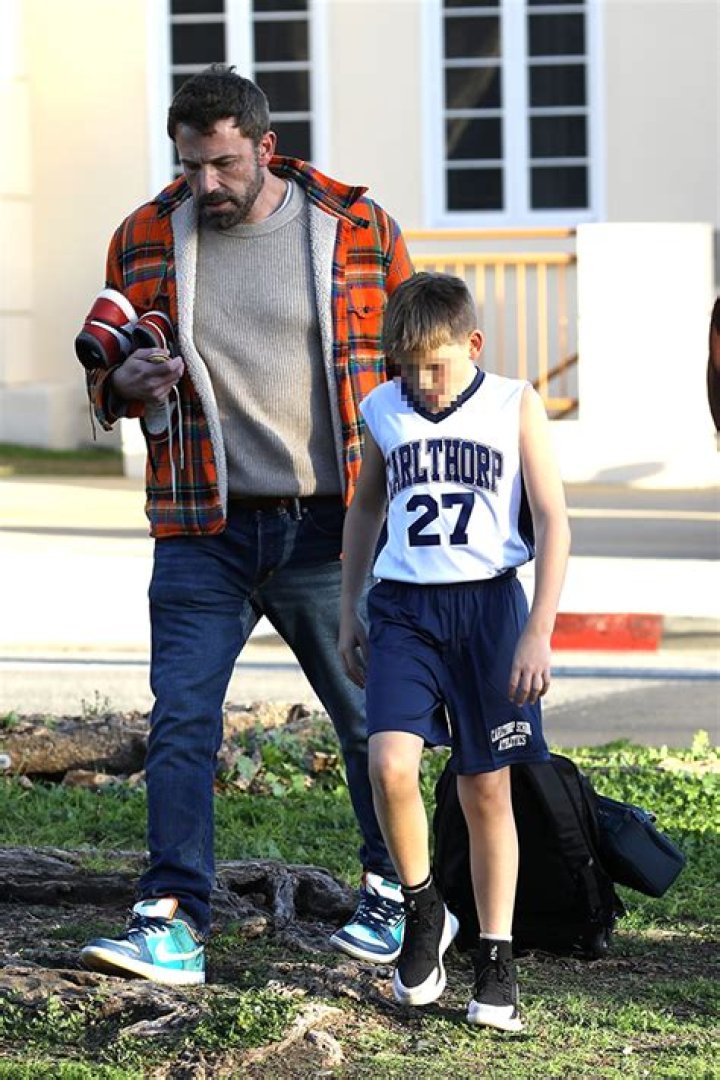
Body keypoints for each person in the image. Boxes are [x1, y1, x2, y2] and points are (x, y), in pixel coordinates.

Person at [77, 64, 414, 986]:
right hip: (203, 526)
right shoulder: (144, 234)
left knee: (369, 719)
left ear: (266, 147)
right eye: (190, 165)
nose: (206, 184)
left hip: (332, 529)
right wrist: (119, 385)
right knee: (182, 723)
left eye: (223, 164)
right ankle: (171, 919)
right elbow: (110, 366)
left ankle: (397, 894)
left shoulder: (357, 228)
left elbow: (420, 370)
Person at [338, 272, 570, 1030]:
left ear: (472, 344)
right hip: (404, 607)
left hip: (489, 608)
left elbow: (553, 519)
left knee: (486, 788)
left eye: (435, 366)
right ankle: (423, 908)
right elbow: (366, 507)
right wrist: (347, 608)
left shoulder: (513, 402)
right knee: (388, 763)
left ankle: (495, 956)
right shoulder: (384, 407)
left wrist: (538, 629)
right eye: (408, 368)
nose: (423, 383)